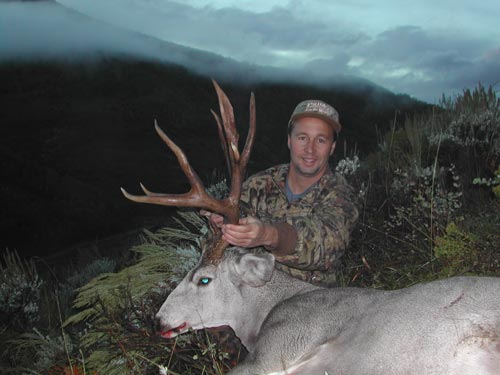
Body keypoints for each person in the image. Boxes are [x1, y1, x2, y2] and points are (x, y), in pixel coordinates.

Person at [205, 99, 359, 287]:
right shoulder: (260, 183)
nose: (310, 149)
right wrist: (225, 224)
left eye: (321, 140)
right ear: (289, 140)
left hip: (311, 301)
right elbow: (211, 245)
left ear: (332, 147)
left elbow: (325, 246)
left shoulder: (341, 195)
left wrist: (270, 235)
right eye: (302, 137)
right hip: (249, 295)